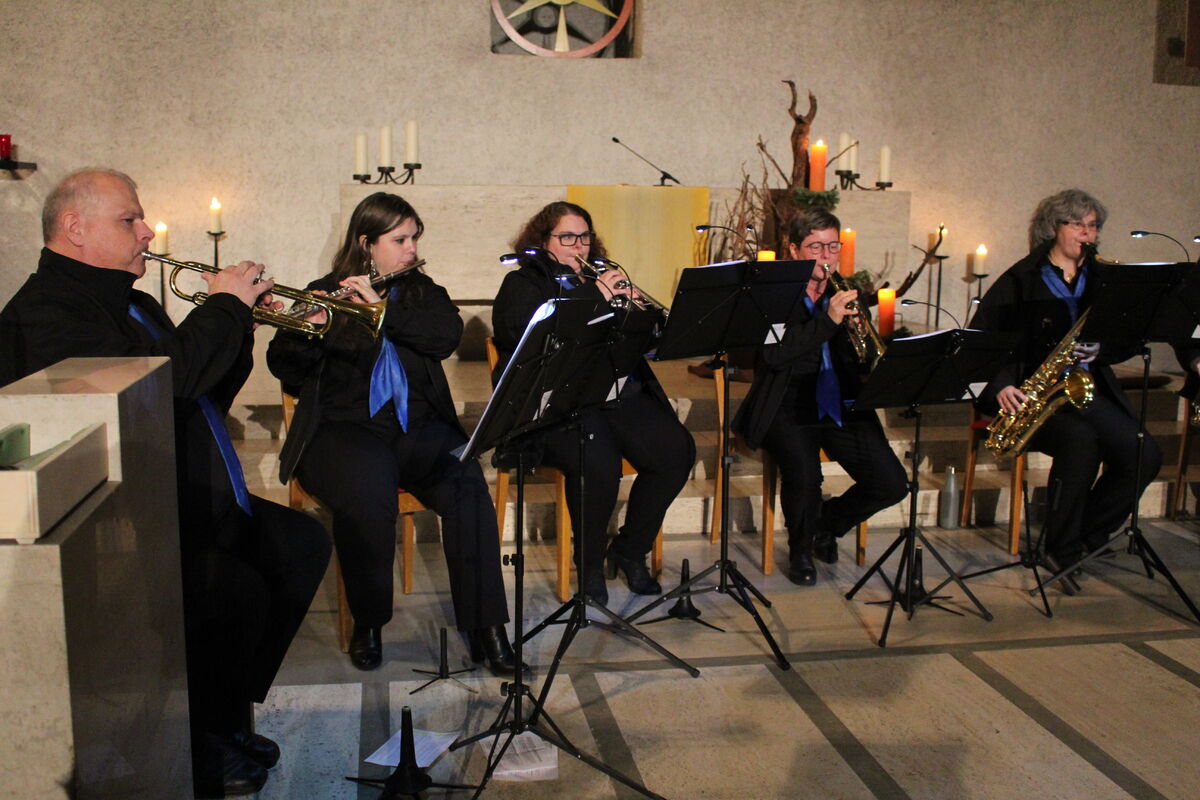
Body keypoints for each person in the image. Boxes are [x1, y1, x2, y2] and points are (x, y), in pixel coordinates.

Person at [0, 168, 332, 798]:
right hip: (113, 520)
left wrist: (239, 329)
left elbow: (198, 395)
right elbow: (166, 385)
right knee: (231, 592)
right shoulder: (46, 313)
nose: (146, 231)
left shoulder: (135, 302)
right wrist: (224, 307)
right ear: (74, 227)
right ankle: (196, 738)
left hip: (178, 492)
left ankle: (221, 715)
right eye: (129, 219)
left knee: (301, 545)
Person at [267, 192, 517, 675]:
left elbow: (444, 338)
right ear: (366, 243)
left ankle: (488, 626)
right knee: (369, 485)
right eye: (400, 239)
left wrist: (382, 310)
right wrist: (308, 331)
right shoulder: (323, 291)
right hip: (342, 433)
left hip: (417, 429)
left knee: (466, 484)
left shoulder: (424, 293)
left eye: (414, 238)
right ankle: (370, 620)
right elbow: (286, 370)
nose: (411, 248)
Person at [491, 201, 696, 605]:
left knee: (676, 450)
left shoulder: (599, 275)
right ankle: (588, 567)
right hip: (556, 406)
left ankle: (629, 549)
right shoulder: (523, 284)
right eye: (567, 237)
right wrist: (595, 296)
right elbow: (531, 339)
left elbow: (643, 342)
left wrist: (639, 312)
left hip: (613, 394)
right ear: (543, 242)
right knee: (597, 460)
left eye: (584, 237)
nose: (579, 246)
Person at [970, 188, 1162, 580]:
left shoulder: (1104, 278)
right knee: (1080, 441)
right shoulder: (1021, 279)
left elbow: (1128, 336)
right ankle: (1061, 549)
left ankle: (1089, 531)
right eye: (1077, 224)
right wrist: (1001, 385)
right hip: (1031, 396)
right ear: (1053, 227)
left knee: (1145, 454)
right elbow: (982, 341)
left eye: (1093, 226)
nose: (1087, 233)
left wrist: (1102, 349)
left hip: (1087, 388)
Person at [733, 208, 907, 586]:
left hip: (839, 398)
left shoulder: (844, 292)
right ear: (794, 250)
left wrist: (861, 338)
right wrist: (827, 321)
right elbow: (774, 356)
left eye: (833, 246)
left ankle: (827, 524)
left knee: (892, 482)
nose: (826, 256)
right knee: (805, 472)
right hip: (786, 400)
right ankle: (800, 550)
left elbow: (862, 362)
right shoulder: (775, 295)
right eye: (815, 247)